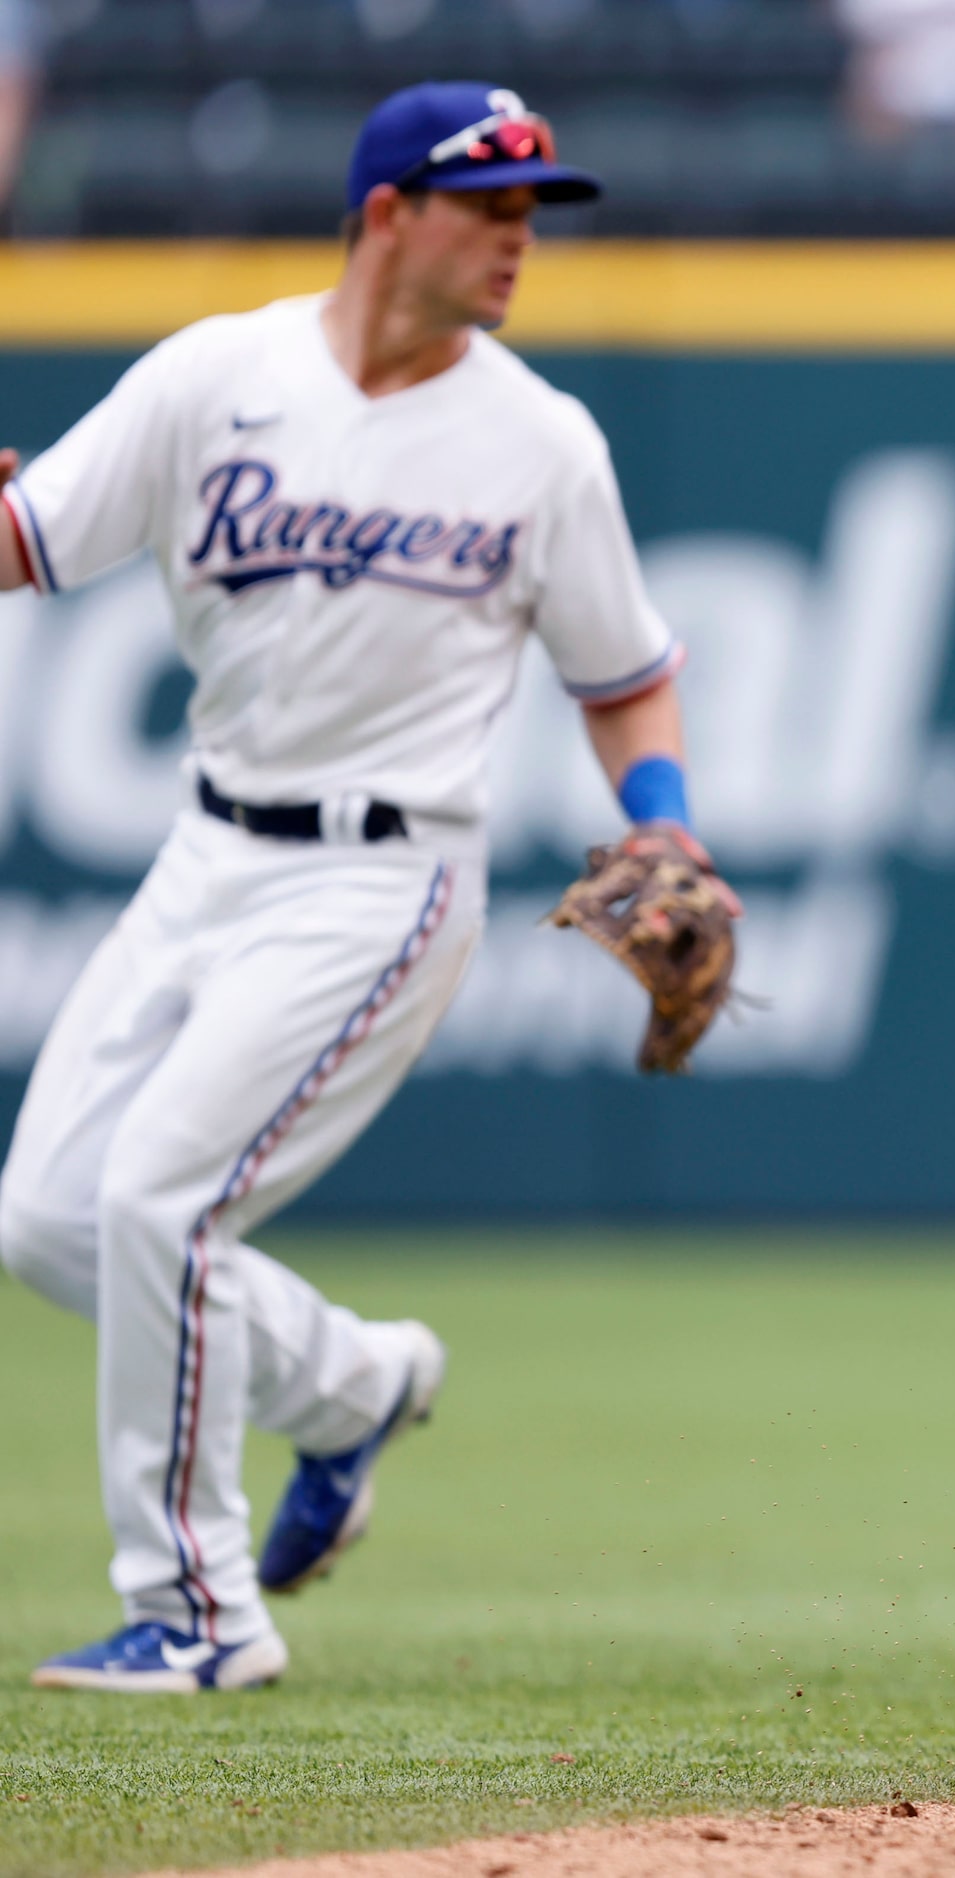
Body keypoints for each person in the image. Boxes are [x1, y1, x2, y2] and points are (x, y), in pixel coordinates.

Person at [0, 83, 728, 1693]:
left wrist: (664, 821)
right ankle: (350, 1384)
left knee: (157, 1202)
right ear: (389, 211)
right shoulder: (215, 379)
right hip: (208, 851)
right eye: (493, 208)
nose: (520, 241)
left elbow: (624, 673)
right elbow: (23, 540)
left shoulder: (540, 443)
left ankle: (197, 1613)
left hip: (382, 875)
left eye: (536, 213)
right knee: (49, 1215)